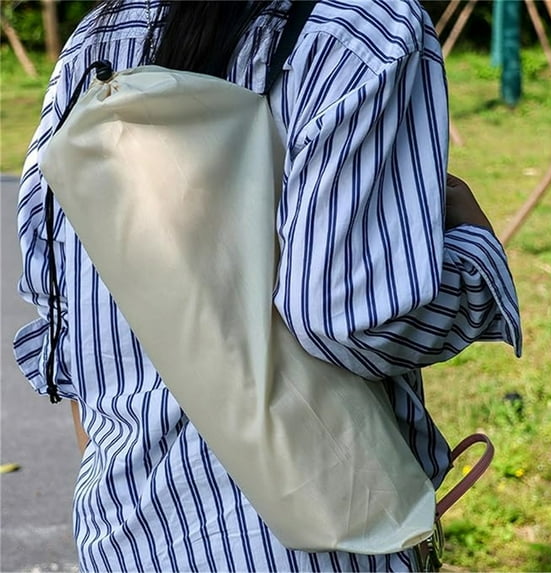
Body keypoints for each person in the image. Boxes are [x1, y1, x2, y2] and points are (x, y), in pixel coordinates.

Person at [14, 1, 521, 571]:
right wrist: (474, 254)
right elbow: (348, 319)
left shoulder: (102, 35)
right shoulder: (363, 31)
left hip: (124, 531)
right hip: (314, 535)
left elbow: (58, 309)